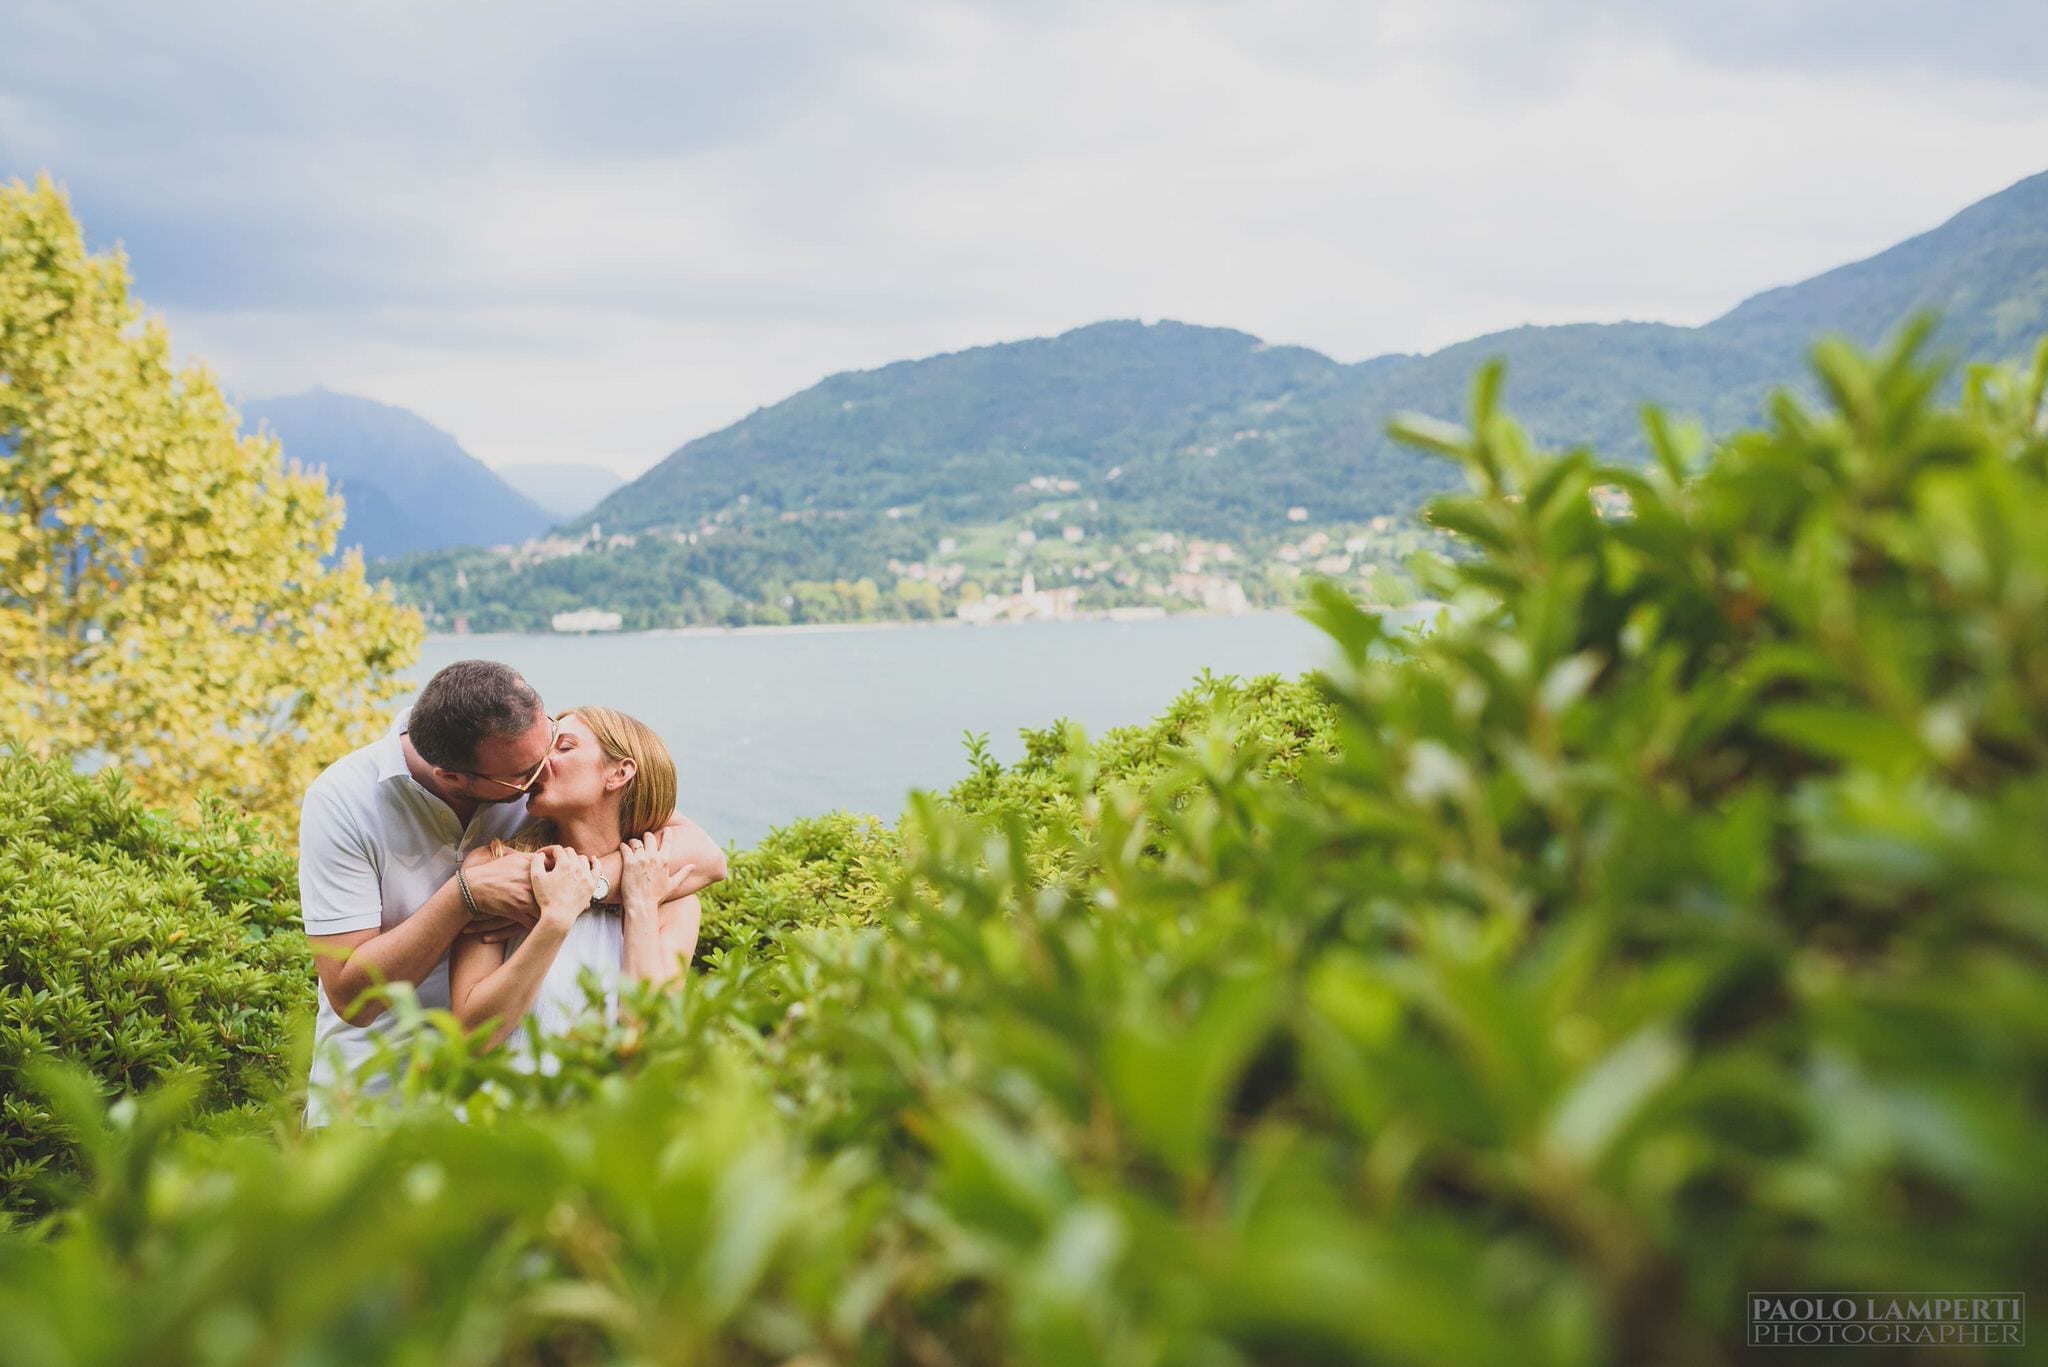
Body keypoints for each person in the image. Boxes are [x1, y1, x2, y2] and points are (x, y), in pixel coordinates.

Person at [298, 660, 725, 1117]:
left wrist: (600, 889)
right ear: (455, 778)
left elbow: (707, 855)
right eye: (525, 771)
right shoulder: (348, 803)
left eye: (559, 740)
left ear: (617, 773)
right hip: (379, 1098)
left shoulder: (653, 882)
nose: (542, 767)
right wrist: (475, 899)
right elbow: (361, 998)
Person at [450, 707, 699, 1047]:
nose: (540, 761)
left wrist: (641, 905)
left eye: (563, 747)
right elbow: (472, 1037)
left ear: (619, 772)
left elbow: (650, 1037)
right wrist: (555, 920)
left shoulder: (672, 896)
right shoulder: (494, 869)